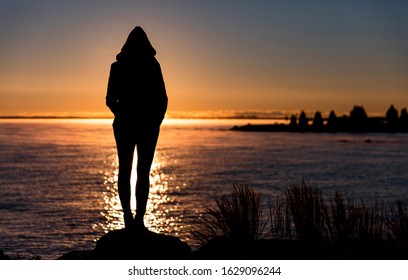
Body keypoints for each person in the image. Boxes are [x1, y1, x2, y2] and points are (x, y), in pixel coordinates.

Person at [106, 26, 168, 229]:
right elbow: (110, 99)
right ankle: (130, 219)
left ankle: (137, 220)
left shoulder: (151, 65)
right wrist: (124, 114)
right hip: (133, 125)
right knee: (131, 171)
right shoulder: (119, 67)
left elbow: (162, 99)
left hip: (143, 125)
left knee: (138, 171)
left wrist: (154, 120)